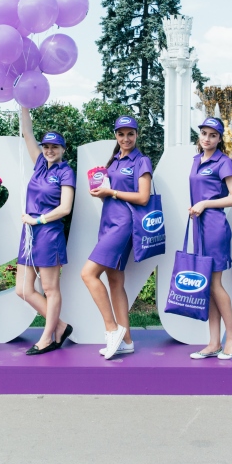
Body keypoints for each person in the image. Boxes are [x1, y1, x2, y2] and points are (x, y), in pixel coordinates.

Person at [81, 115, 153, 360]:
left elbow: (143, 197)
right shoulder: (113, 161)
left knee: (88, 274)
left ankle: (112, 329)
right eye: (121, 134)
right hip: (108, 222)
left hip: (124, 224)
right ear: (116, 135)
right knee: (114, 281)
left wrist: (111, 191)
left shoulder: (141, 161)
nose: (126, 138)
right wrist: (101, 193)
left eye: (130, 134)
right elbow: (111, 192)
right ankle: (127, 341)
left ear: (137, 134)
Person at [14, 107, 76, 355]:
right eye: (46, 146)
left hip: (49, 234)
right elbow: (27, 133)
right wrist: (24, 105)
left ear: (63, 149)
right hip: (30, 234)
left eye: (54, 147)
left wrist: (38, 220)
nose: (49, 150)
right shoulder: (40, 164)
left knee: (50, 289)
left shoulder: (65, 172)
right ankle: (60, 326)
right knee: (23, 289)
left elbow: (65, 208)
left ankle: (47, 337)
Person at [187, 118, 232, 360]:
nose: (207, 138)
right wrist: (196, 207)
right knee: (208, 285)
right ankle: (213, 342)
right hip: (198, 226)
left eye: (213, 135)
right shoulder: (196, 160)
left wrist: (204, 203)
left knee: (214, 284)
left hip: (214, 227)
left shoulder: (223, 162)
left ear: (220, 138)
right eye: (204, 133)